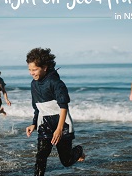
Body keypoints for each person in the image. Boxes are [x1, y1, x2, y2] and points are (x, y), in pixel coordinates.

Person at [25, 47, 85, 176]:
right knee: (41, 155)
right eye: (29, 69)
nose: (31, 72)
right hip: (44, 122)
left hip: (62, 122)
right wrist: (34, 124)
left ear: (45, 67)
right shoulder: (33, 84)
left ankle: (79, 150)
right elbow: (37, 107)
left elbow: (64, 107)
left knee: (66, 161)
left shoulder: (56, 83)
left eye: (34, 69)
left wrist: (59, 129)